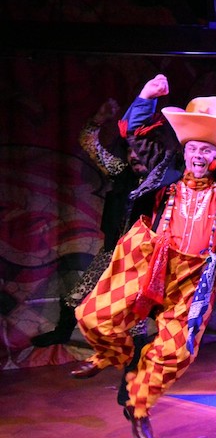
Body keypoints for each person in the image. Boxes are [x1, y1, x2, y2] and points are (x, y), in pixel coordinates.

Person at [71, 82, 216, 438]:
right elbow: (135, 134)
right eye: (192, 148)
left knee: (178, 350)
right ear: (183, 150)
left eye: (206, 148)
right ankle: (111, 353)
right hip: (148, 259)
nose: (197, 155)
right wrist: (145, 97)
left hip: (196, 276)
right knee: (94, 316)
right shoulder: (164, 171)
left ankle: (138, 406)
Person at [30, 92, 167, 348]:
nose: (134, 157)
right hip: (112, 252)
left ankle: (138, 352)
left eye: (140, 152)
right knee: (75, 296)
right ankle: (62, 333)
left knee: (137, 307)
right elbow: (88, 143)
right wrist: (98, 119)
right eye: (130, 153)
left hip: (145, 257)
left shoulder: (163, 181)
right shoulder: (121, 173)